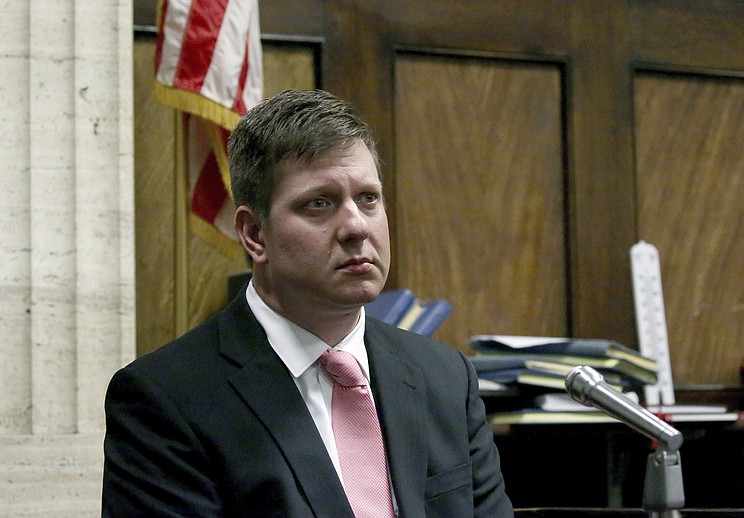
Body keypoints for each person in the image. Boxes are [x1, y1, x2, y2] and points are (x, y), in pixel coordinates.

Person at [101, 88, 514, 517]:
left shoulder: (445, 378)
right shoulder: (166, 400)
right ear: (255, 234)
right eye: (320, 203)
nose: (356, 226)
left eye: (368, 198)